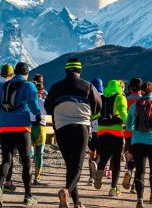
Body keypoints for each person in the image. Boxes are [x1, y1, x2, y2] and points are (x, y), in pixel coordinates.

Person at [45, 58, 101, 208]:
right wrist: (89, 113)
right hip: (81, 128)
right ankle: (66, 191)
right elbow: (98, 106)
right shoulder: (88, 86)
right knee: (77, 166)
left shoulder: (56, 87)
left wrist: (60, 112)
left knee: (70, 165)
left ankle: (76, 202)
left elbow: (47, 106)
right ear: (79, 71)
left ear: (66, 71)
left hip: (62, 128)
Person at [0, 62, 40, 207]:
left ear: (15, 72)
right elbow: (34, 105)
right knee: (26, 162)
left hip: (5, 128)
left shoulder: (3, 86)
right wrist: (36, 114)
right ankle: (28, 195)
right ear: (26, 73)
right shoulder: (28, 85)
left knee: (6, 160)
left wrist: (6, 113)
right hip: (22, 128)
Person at [93, 79, 127, 197]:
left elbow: (96, 114)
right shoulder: (120, 97)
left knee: (104, 157)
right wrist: (129, 123)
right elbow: (123, 113)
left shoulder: (101, 97)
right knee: (116, 161)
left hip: (101, 132)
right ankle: (113, 189)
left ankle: (100, 169)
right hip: (116, 132)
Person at [122, 78, 143, 193]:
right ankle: (135, 185)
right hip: (140, 133)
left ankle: (129, 171)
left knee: (130, 155)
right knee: (139, 159)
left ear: (130, 88)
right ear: (141, 89)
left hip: (128, 133)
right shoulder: (144, 100)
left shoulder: (125, 99)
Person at [29, 74, 47, 185]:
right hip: (40, 127)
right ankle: (36, 177)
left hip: (31, 127)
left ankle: (35, 176)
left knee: (31, 153)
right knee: (39, 153)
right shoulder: (44, 100)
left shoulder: (28, 100)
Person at [87, 78, 104, 186]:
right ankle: (97, 166)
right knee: (101, 153)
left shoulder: (89, 98)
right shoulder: (105, 98)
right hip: (103, 130)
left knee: (92, 153)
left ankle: (90, 178)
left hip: (93, 129)